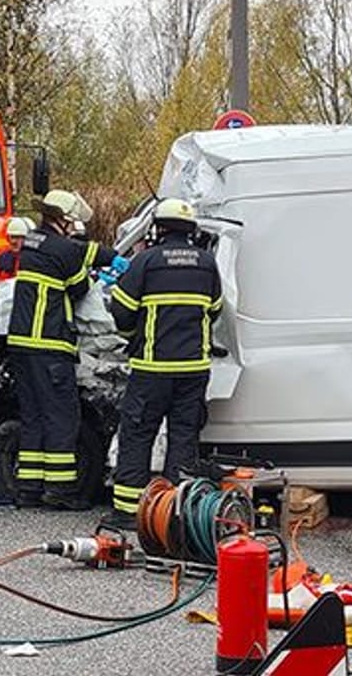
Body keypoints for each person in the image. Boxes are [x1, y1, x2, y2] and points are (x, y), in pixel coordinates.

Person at [103, 199, 222, 529]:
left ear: (159, 227)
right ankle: (172, 513)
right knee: (183, 438)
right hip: (193, 370)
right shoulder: (207, 264)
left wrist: (135, 335)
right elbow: (215, 309)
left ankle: (128, 511)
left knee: (138, 435)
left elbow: (122, 310)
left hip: (153, 369)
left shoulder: (146, 261)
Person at [7, 189, 117, 510]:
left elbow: (81, 251)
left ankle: (28, 489)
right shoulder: (63, 250)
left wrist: (99, 258)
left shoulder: (31, 242)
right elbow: (80, 286)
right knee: (61, 417)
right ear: (65, 220)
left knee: (33, 417)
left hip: (21, 345)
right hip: (49, 344)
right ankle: (59, 490)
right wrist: (106, 267)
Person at [0, 216, 34, 282]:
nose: (13, 241)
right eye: (12, 237)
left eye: (18, 237)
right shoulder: (1, 259)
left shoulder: (36, 262)